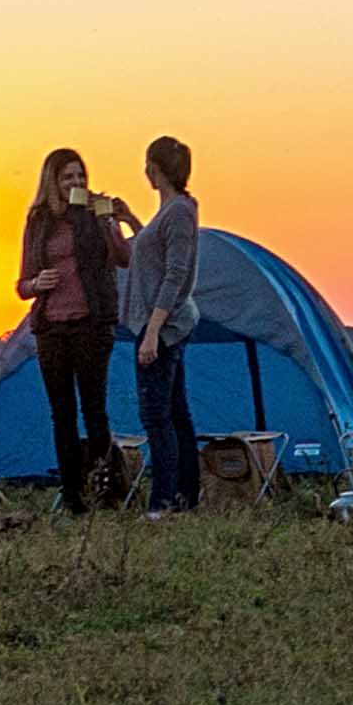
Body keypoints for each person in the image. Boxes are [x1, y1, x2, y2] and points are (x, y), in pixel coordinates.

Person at [10, 146, 130, 516]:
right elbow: (22, 284)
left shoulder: (95, 215)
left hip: (92, 324)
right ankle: (72, 494)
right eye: (68, 178)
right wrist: (37, 284)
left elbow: (124, 259)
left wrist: (111, 221)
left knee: (95, 410)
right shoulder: (39, 220)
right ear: (52, 181)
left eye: (80, 176)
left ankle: (105, 490)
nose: (76, 183)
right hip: (52, 327)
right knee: (61, 412)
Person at [126, 136, 204, 515]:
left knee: (157, 417)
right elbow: (155, 254)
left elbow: (174, 275)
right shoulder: (172, 211)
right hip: (165, 323)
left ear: (154, 169)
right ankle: (186, 496)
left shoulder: (178, 213)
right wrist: (127, 220)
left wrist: (153, 332)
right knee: (176, 414)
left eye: (147, 164)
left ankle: (162, 502)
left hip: (162, 326)